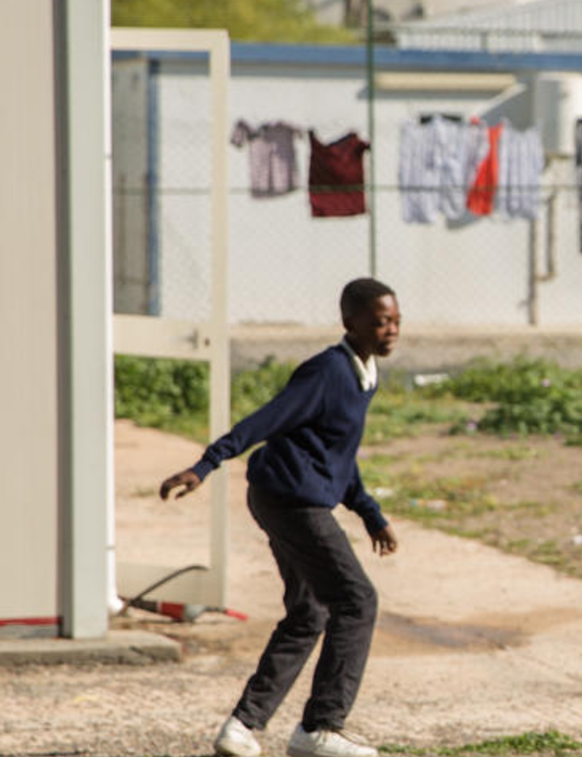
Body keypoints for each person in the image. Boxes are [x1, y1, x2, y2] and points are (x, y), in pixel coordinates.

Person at [160, 278, 402, 757]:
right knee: (357, 600)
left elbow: (337, 454)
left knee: (309, 612)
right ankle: (321, 728)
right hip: (292, 500)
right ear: (350, 323)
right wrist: (207, 464)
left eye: (396, 320)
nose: (392, 330)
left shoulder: (364, 375)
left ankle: (241, 727)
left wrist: (368, 512)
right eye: (380, 322)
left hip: (284, 496)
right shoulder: (327, 371)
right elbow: (266, 420)